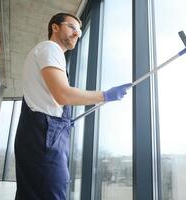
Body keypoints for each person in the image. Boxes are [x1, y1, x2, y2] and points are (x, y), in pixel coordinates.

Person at [14, 12, 131, 200]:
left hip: (40, 131)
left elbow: (50, 99)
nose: (77, 34)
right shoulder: (50, 48)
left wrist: (62, 120)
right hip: (43, 135)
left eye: (80, 32)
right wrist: (105, 95)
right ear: (55, 27)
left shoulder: (46, 53)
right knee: (51, 192)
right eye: (72, 27)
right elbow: (63, 94)